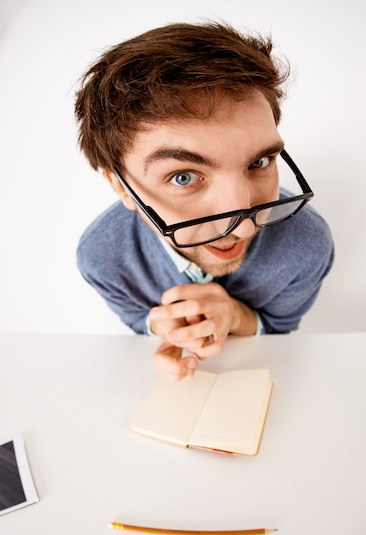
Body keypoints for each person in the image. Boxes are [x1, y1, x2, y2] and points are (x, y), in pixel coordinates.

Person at [75, 21, 334, 380]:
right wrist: (166, 327)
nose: (243, 227)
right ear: (121, 188)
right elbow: (138, 321)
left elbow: (279, 329)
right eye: (183, 177)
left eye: (259, 162)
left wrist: (235, 315)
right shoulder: (101, 257)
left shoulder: (306, 243)